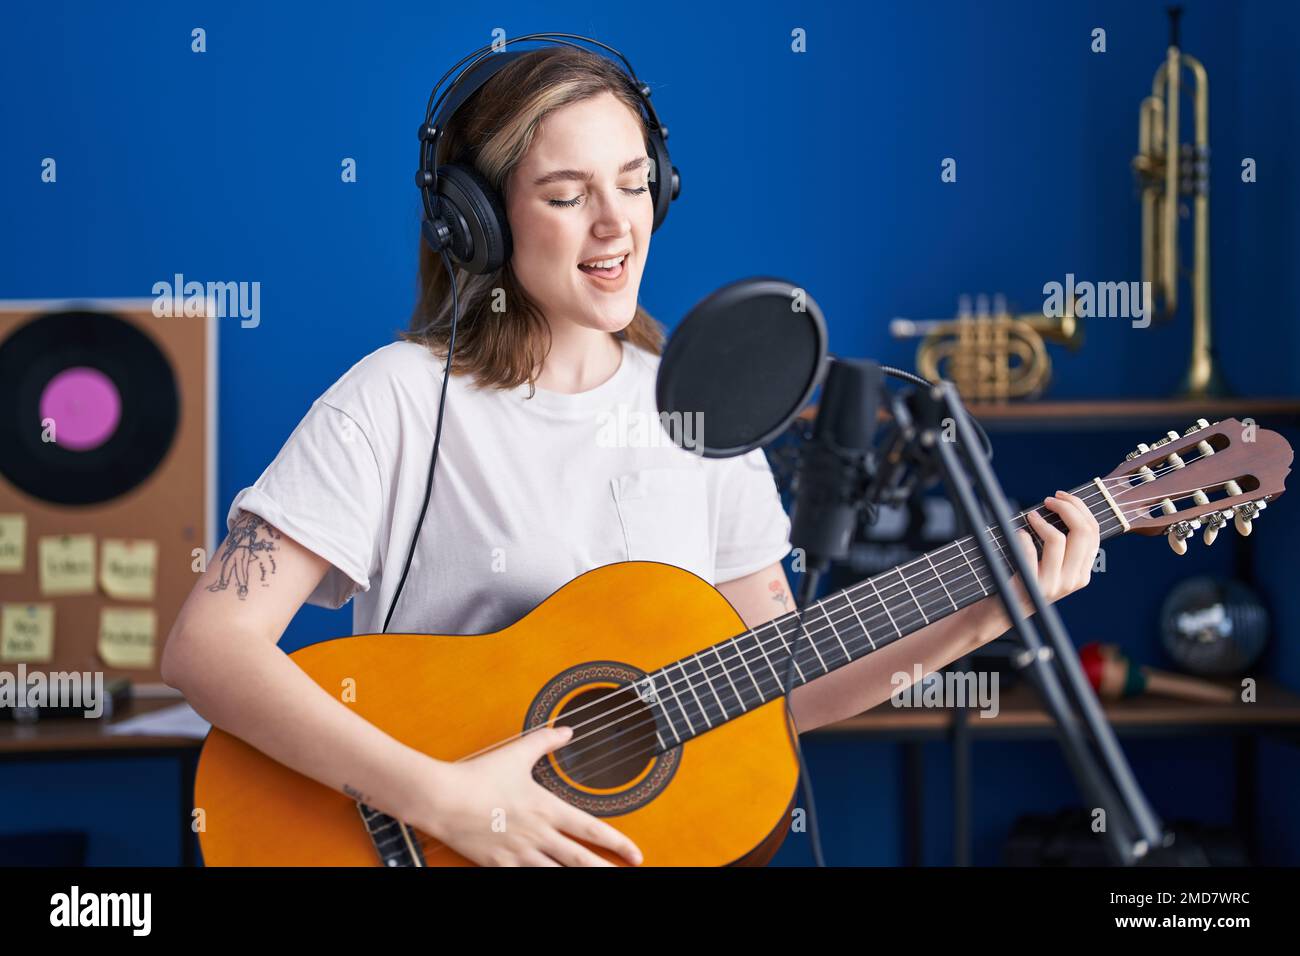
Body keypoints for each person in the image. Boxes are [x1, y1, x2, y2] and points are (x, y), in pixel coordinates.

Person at [161, 45, 1100, 867]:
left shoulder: (701, 412)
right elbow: (209, 651)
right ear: (476, 223)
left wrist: (990, 609)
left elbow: (784, 688)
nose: (617, 224)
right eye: (568, 196)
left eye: (634, 181)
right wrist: (441, 800)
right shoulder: (395, 400)